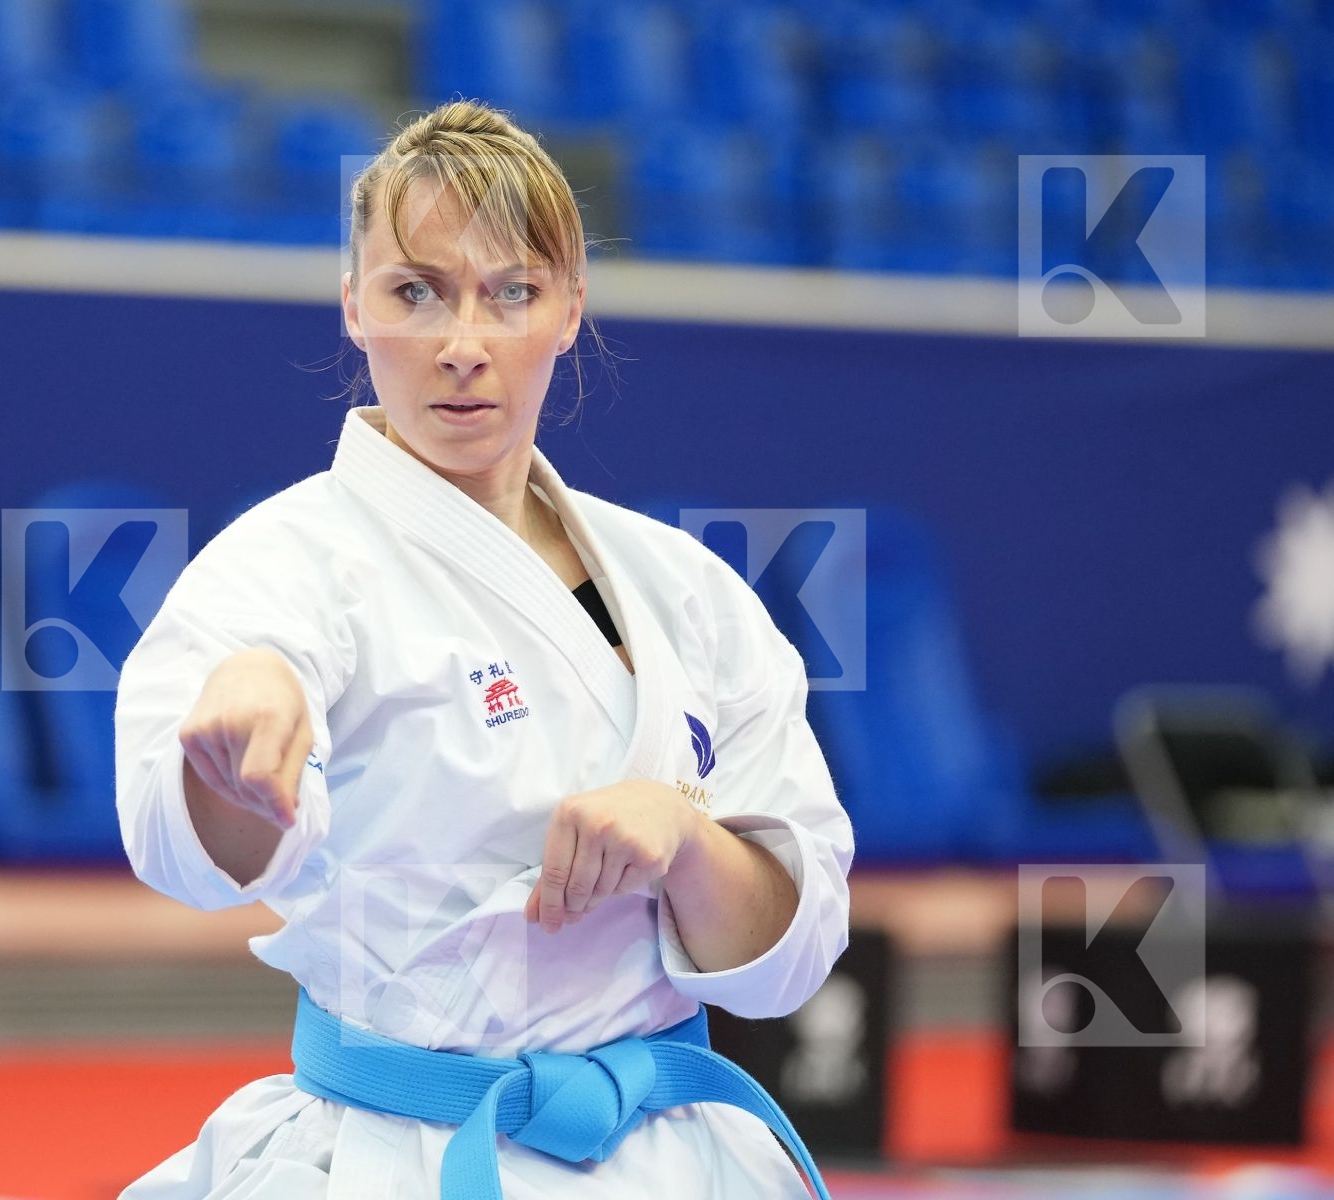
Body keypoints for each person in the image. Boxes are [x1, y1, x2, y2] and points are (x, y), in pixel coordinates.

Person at [114, 98, 853, 1199]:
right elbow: (189, 843)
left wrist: (687, 840)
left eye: (511, 292)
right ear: (355, 307)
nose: (464, 345)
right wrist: (235, 750)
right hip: (397, 1153)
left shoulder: (688, 590)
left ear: (568, 310)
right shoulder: (284, 565)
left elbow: (795, 952)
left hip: (676, 1156)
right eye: (417, 291)